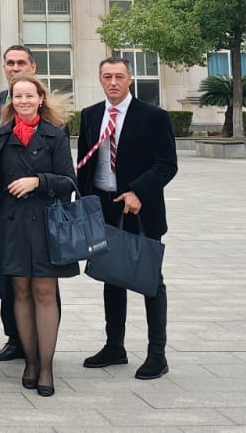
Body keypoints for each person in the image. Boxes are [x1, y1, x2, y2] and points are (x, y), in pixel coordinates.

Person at [77, 57, 179, 381]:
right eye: (107, 76)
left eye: (119, 76)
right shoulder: (91, 115)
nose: (113, 82)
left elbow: (167, 164)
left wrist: (137, 192)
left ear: (130, 79)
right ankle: (114, 346)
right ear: (100, 80)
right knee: (111, 277)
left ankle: (156, 354)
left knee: (150, 280)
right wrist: (81, 205)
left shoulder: (153, 117)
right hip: (104, 206)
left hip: (140, 207)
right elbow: (83, 163)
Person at [0, 73, 77, 397]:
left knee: (44, 291)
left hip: (45, 224)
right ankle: (29, 360)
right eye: (18, 97)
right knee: (21, 292)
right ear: (11, 102)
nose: (24, 102)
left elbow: (69, 182)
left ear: (41, 99)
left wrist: (38, 181)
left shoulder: (54, 136)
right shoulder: (1, 137)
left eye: (30, 96)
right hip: (12, 225)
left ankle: (46, 366)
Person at [0, 44, 39, 364]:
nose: (14, 68)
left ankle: (41, 339)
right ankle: (14, 337)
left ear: (32, 66)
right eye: (10, 63)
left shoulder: (48, 106)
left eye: (21, 63)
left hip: (36, 204)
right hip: (0, 204)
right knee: (7, 271)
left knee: (41, 277)